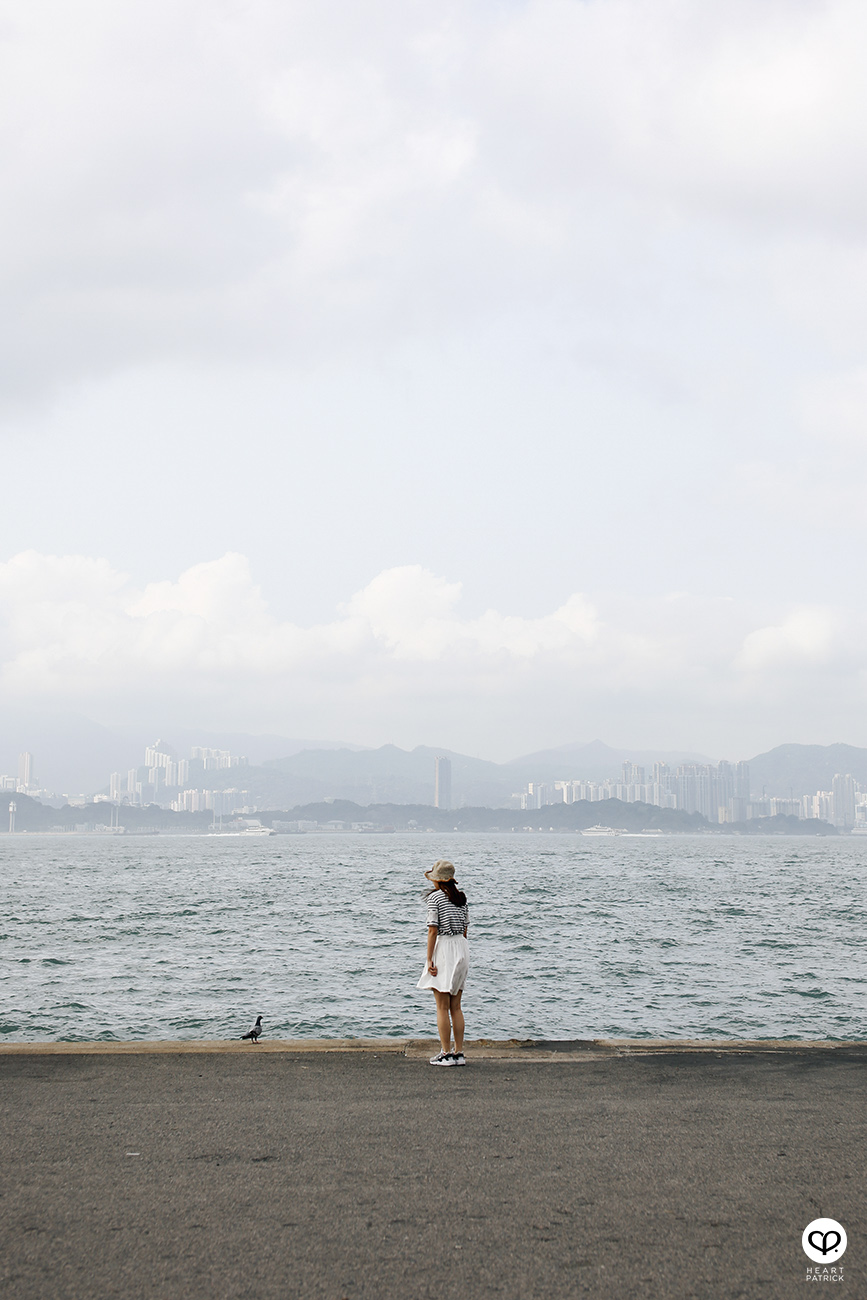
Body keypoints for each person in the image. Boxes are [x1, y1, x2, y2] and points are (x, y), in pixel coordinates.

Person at [416, 859, 469, 1066]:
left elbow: (432, 930)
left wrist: (429, 958)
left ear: (438, 880)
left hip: (445, 947)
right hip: (461, 947)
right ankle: (459, 1052)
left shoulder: (435, 899)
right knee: (456, 1006)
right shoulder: (461, 898)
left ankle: (445, 1053)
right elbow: (465, 930)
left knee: (441, 1006)